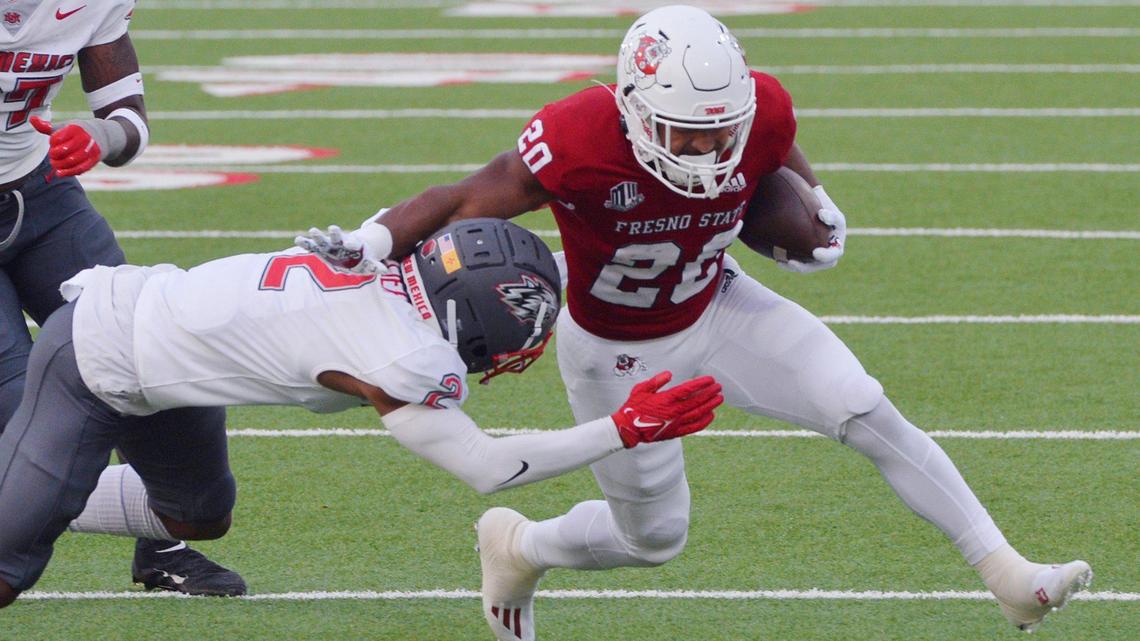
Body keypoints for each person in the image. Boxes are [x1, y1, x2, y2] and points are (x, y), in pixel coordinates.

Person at [296, 5, 1092, 639]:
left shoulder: (760, 110)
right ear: (635, 110)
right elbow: (470, 194)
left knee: (861, 402)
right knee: (654, 539)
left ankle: (1007, 576)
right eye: (689, 133)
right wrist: (375, 239)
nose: (711, 149)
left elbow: (773, 148)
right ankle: (518, 546)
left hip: (720, 301)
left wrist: (815, 206)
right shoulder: (582, 136)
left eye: (724, 128)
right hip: (616, 350)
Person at [0, 217, 724, 608]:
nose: (512, 360)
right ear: (471, 330)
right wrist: (624, 429)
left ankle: (38, 488)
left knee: (196, 512)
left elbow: (437, 202)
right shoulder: (403, 359)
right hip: (96, 358)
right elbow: (491, 467)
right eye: (513, 345)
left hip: (171, 363)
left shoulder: (387, 253)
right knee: (6, 572)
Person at [0, 1, 247, 596]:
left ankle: (164, 540)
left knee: (139, 353)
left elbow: (127, 116)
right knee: (20, 419)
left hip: (42, 197)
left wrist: (99, 136)